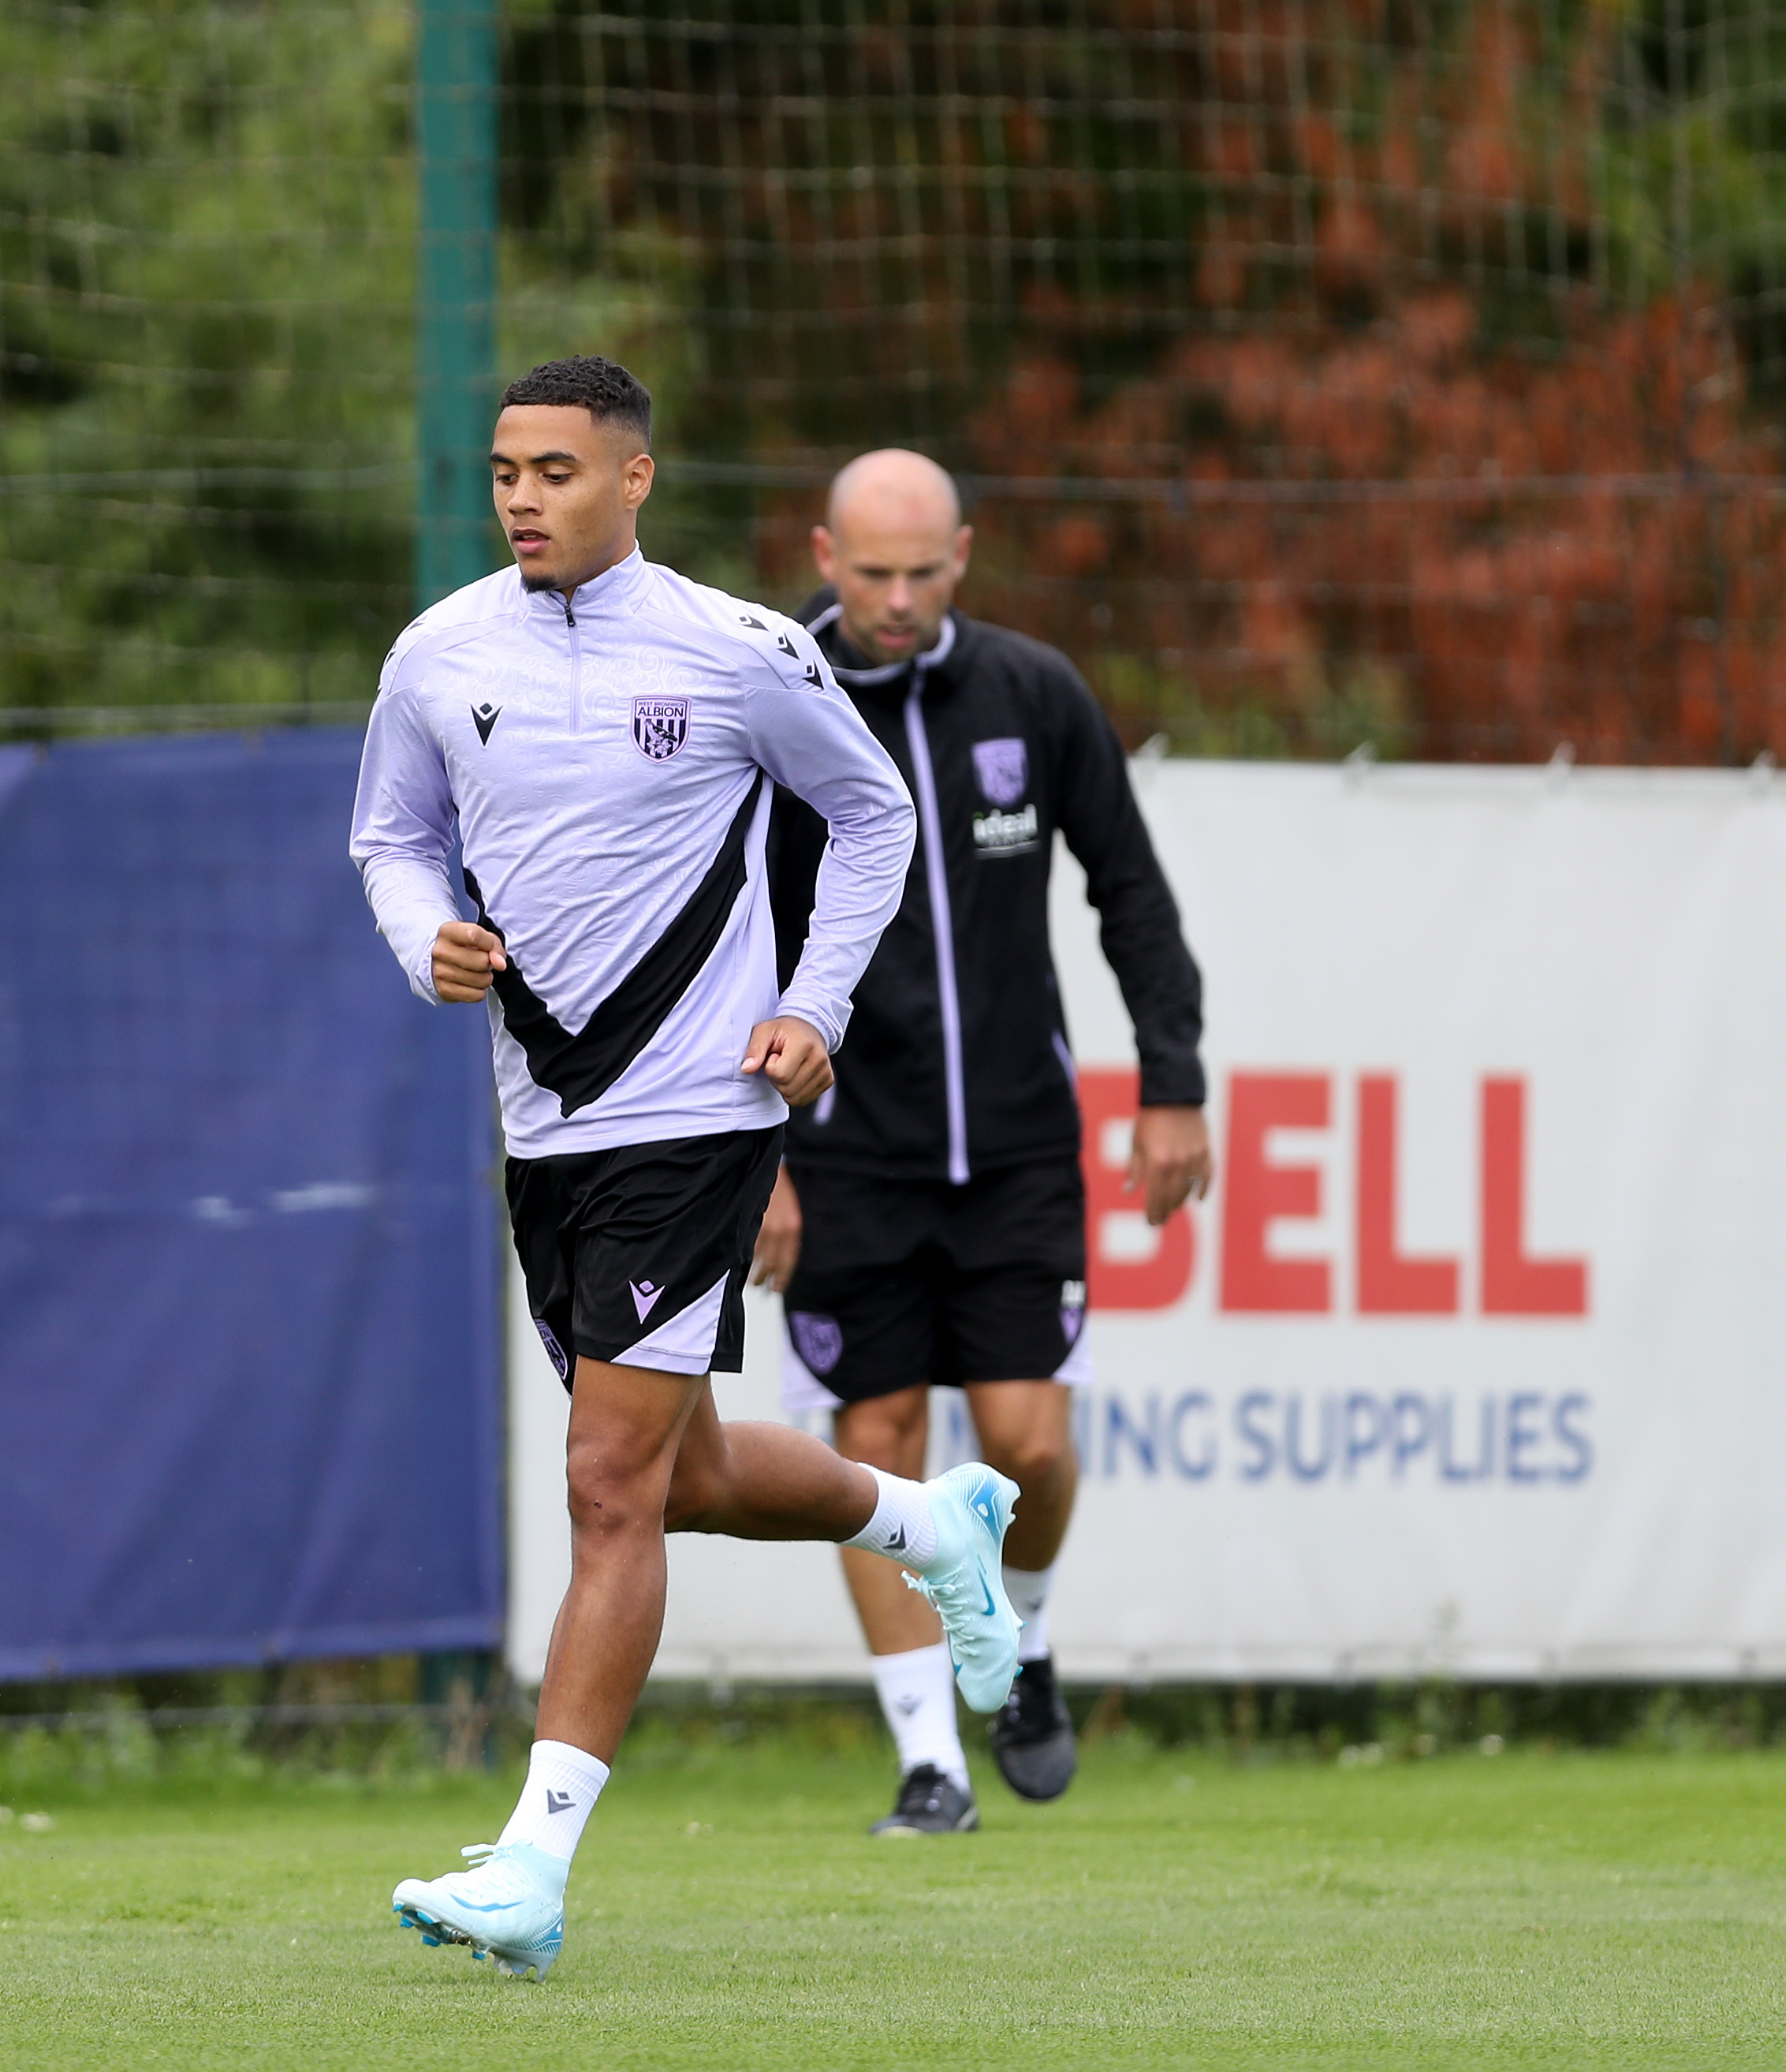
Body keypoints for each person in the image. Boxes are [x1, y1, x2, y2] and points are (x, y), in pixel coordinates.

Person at [351, 359, 1022, 1982]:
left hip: (702, 1115)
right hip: (549, 1124)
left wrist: (811, 1005)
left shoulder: (739, 653)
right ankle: (931, 1524)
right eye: (508, 467)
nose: (524, 495)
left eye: (559, 470)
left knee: (604, 1488)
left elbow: (872, 820)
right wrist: (414, 934)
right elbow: (389, 836)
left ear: (634, 481)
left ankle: (534, 1863)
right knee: (691, 1478)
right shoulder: (442, 653)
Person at [754, 449, 1211, 1835]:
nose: (897, 600)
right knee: (873, 1444)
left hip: (1013, 1142)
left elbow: (1127, 892)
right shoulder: (764, 696)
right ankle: (927, 1765)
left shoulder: (1032, 691)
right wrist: (755, 1157)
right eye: (871, 573)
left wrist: (1173, 1080)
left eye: (923, 571)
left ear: (964, 553)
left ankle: (1022, 1643)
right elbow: (721, 947)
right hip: (839, 1148)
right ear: (826, 556)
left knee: (1031, 1448)